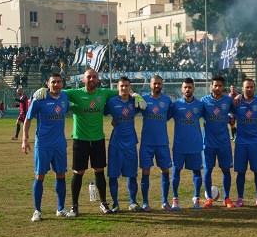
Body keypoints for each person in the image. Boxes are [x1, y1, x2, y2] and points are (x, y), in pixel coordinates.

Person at [33, 68, 146, 217]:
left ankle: (104, 203)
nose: (92, 79)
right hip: (80, 139)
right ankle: (74, 206)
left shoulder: (104, 93)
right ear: (83, 80)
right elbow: (56, 91)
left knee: (99, 172)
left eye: (94, 77)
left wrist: (134, 94)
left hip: (98, 138)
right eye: (89, 77)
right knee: (78, 173)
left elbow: (122, 91)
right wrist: (43, 89)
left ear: (98, 79)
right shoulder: (73, 93)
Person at [22, 73, 69, 222]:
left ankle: (60, 209)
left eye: (59, 82)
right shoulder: (39, 99)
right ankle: (37, 211)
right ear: (47, 83)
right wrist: (25, 138)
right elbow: (28, 119)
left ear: (62, 84)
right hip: (43, 144)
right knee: (39, 176)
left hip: (60, 143)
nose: (56, 85)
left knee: (61, 175)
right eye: (53, 82)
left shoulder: (65, 98)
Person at [105, 77, 141, 212]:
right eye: (122, 86)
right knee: (113, 175)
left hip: (131, 142)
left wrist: (138, 96)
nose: (124, 88)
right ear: (117, 88)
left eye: (127, 86)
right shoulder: (111, 102)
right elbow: (101, 112)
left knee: (132, 174)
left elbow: (145, 107)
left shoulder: (134, 101)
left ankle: (133, 202)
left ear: (130, 87)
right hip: (116, 143)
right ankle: (115, 203)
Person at [139, 75, 173, 211]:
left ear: (162, 85)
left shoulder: (167, 100)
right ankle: (145, 203)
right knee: (145, 171)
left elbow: (169, 115)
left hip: (162, 142)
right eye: (155, 84)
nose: (157, 86)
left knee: (165, 170)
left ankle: (165, 202)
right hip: (147, 142)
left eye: (159, 83)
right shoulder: (144, 99)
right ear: (150, 85)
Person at [201, 76, 235, 208]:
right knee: (208, 170)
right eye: (215, 85)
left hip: (224, 142)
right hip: (208, 142)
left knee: (226, 170)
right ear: (211, 87)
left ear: (223, 87)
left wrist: (231, 118)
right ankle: (209, 198)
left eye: (220, 86)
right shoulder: (204, 101)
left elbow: (235, 112)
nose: (218, 88)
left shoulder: (228, 100)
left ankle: (227, 198)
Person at [170, 78, 204, 210]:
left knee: (197, 172)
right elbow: (163, 117)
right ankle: (175, 200)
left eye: (190, 87)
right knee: (176, 172)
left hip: (195, 145)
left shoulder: (200, 105)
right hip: (179, 145)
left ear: (193, 88)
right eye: (185, 87)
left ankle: (196, 198)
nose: (187, 89)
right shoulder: (175, 105)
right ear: (181, 89)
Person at [232, 79, 257, 208]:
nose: (249, 89)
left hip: (255, 142)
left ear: (255, 88)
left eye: (251, 87)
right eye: (247, 87)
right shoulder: (236, 102)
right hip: (241, 142)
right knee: (240, 172)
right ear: (243, 88)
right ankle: (240, 198)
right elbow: (230, 116)